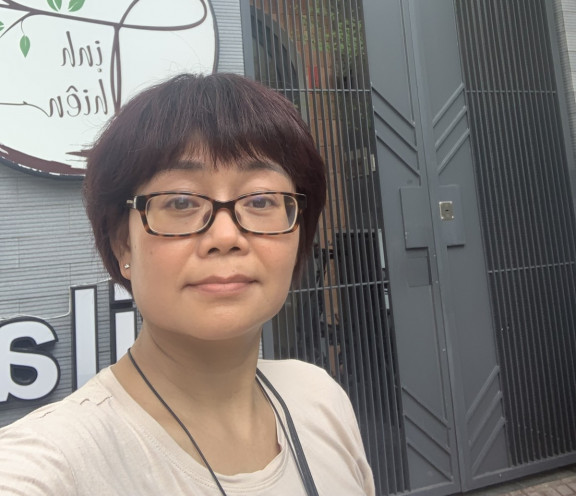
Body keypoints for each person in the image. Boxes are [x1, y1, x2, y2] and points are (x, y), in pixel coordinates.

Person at [0, 73, 375, 495]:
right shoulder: (53, 465)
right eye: (180, 201)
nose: (226, 236)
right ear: (123, 242)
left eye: (260, 200)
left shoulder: (320, 400)